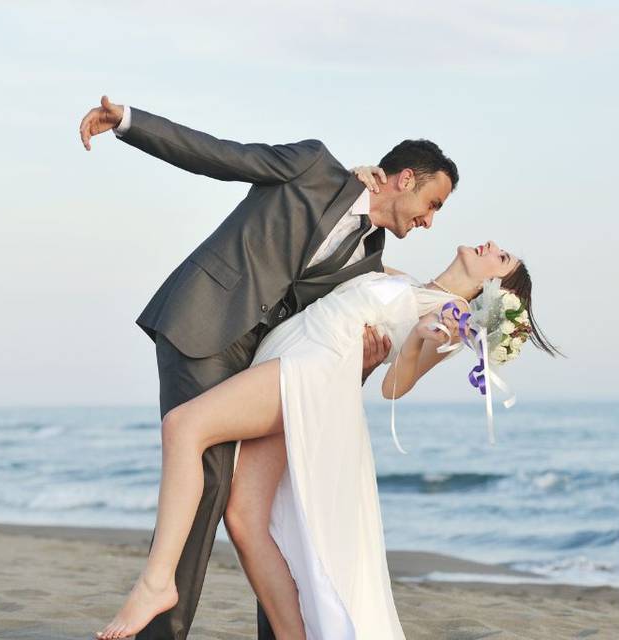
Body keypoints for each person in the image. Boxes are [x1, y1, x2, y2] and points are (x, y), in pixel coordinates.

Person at [78, 95, 459, 640]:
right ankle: (159, 626)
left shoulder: (369, 260)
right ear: (403, 179)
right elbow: (222, 156)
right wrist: (131, 123)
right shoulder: (316, 167)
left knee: (271, 501)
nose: (430, 219)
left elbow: (333, 331)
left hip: (262, 358)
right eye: (433, 202)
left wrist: (368, 363)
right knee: (209, 480)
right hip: (204, 324)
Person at [94, 240, 559, 639]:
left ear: (492, 290)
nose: (491, 247)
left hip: (308, 372)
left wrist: (420, 338)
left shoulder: (446, 318)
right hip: (282, 360)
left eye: (501, 258)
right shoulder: (407, 280)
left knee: (184, 426)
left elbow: (394, 384)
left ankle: (158, 581)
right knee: (243, 517)